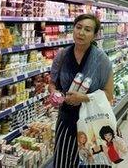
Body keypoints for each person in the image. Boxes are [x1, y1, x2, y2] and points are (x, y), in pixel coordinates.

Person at [49, 14, 114, 168]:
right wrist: (54, 93)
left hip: (93, 119)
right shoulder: (62, 55)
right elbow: (52, 83)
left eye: (87, 29)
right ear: (73, 29)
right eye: (78, 27)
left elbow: (108, 94)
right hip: (67, 118)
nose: (81, 33)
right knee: (63, 161)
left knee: (96, 162)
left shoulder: (101, 59)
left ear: (95, 35)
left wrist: (84, 98)